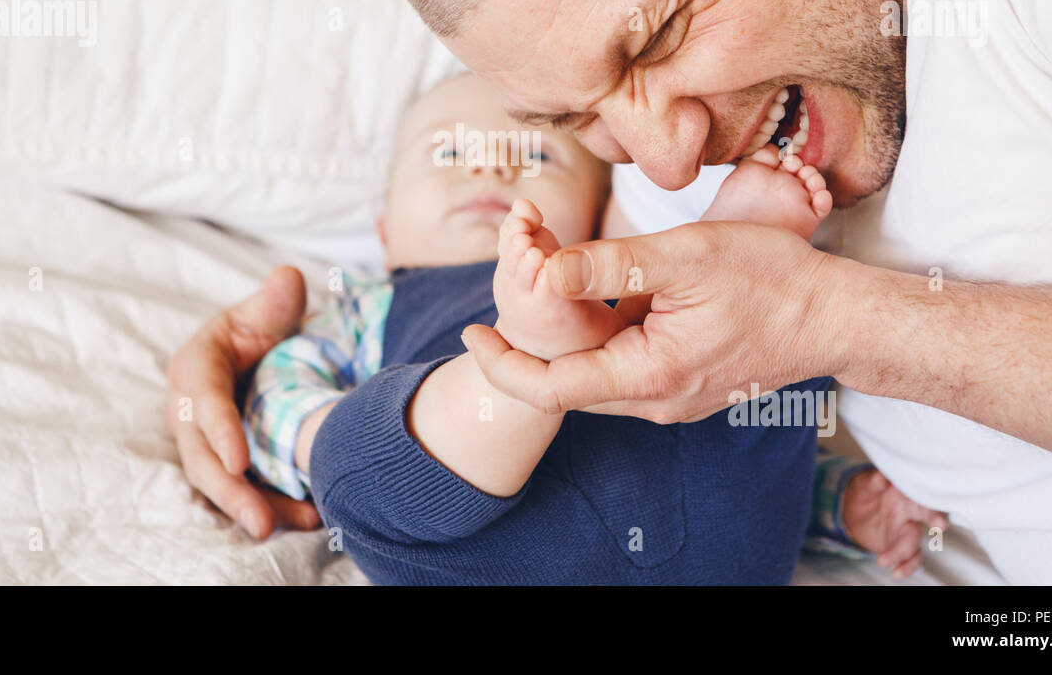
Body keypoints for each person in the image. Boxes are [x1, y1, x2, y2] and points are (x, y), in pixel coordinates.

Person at [171, 0, 1052, 583]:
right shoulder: (700, 144)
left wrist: (833, 319)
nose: (672, 164)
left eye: (657, 37)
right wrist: (288, 378)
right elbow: (558, 412)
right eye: (574, 122)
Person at [241, 72, 939, 583]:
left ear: (601, 211)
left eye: (538, 157)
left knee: (741, 364)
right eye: (448, 154)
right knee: (348, 461)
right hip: (503, 549)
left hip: (719, 545)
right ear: (386, 234)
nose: (492, 163)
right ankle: (523, 372)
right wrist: (317, 443)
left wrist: (833, 502)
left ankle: (738, 262)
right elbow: (276, 398)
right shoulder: (368, 301)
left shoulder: (622, 275)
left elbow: (754, 466)